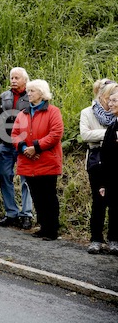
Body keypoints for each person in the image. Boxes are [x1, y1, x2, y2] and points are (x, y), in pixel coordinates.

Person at [12, 79, 64, 241]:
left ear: (41, 92)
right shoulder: (23, 113)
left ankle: (52, 229)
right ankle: (43, 226)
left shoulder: (53, 111)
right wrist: (23, 148)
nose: (28, 93)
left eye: (32, 91)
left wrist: (36, 147)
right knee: (36, 195)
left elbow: (56, 134)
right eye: (28, 90)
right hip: (29, 161)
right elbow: (14, 134)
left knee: (48, 196)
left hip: (46, 160)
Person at [80, 79, 117, 253]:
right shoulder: (88, 112)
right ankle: (96, 238)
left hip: (114, 159)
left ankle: (114, 239)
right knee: (99, 200)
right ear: (103, 96)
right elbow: (86, 135)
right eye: (111, 97)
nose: (112, 101)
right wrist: (110, 134)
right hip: (96, 159)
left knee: (115, 202)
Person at [0, 67, 33, 229]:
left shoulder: (32, 95)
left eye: (17, 78)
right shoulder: (4, 96)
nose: (13, 80)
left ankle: (26, 214)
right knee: (5, 177)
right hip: (5, 144)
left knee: (26, 180)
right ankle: (11, 213)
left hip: (24, 145)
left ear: (25, 80)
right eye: (12, 78)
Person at [99, 85, 118, 255]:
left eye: (113, 101)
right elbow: (105, 155)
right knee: (113, 208)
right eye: (109, 100)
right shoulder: (112, 127)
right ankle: (113, 239)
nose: (109, 104)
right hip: (112, 177)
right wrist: (104, 182)